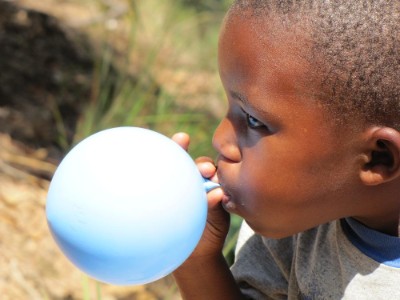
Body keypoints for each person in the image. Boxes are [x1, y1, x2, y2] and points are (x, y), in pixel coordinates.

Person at [172, 0, 400, 299]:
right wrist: (195, 257)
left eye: (253, 120)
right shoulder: (297, 219)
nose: (220, 139)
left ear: (377, 158)